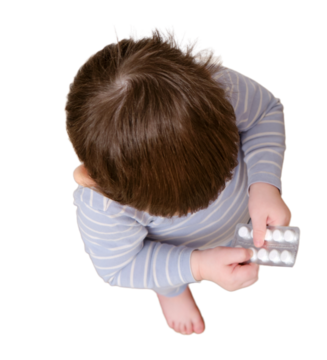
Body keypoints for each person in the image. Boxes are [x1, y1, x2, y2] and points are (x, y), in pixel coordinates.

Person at [64, 23, 291, 337]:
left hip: (241, 218)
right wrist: (196, 267)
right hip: (176, 251)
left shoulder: (219, 92)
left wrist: (264, 185)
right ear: (96, 179)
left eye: (225, 171)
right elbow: (119, 265)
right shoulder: (102, 204)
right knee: (161, 272)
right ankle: (170, 291)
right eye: (170, 209)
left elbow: (265, 112)